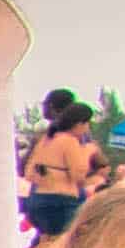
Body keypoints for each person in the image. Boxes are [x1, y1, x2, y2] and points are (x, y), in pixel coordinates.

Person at [22, 92, 103, 236]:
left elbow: (25, 169)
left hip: (43, 199)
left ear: (52, 107)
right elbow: (97, 166)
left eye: (44, 105)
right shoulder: (81, 136)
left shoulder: (46, 137)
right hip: (69, 198)